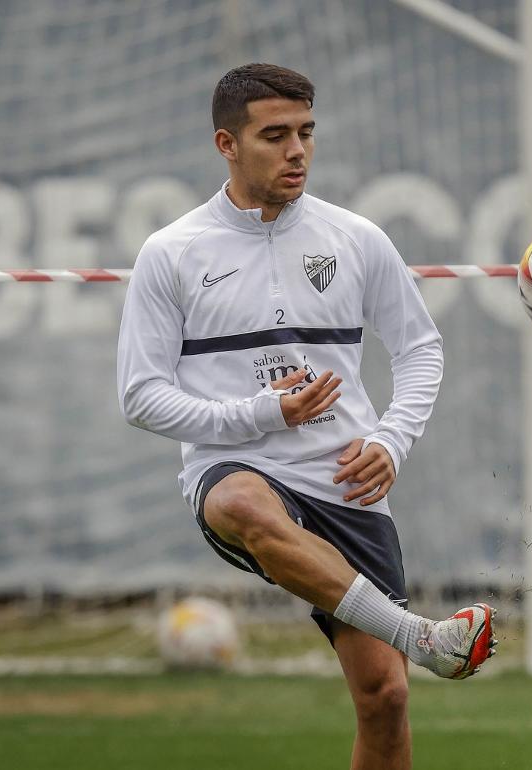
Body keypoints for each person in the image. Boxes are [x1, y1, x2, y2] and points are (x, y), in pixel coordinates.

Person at [116, 63, 495, 770]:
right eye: (275, 136)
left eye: (307, 133)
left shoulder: (356, 238)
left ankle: (405, 646)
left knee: (385, 699)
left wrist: (392, 439)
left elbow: (420, 348)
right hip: (239, 470)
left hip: (347, 482)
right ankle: (418, 634)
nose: (297, 151)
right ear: (226, 144)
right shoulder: (171, 252)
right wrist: (263, 413)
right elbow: (140, 396)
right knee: (238, 501)